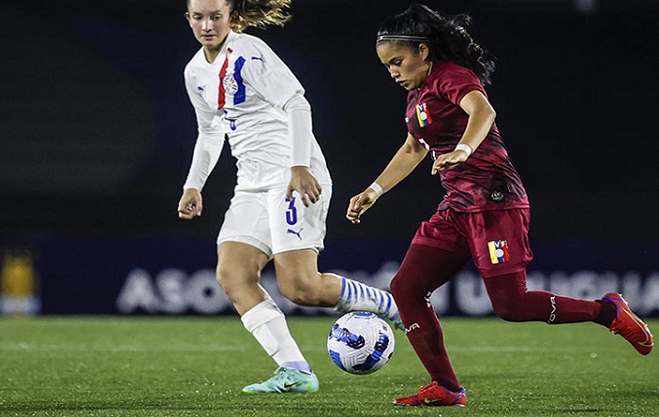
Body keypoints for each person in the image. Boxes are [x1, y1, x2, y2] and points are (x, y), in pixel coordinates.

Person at [346, 3, 654, 408]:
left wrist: (463, 148)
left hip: (495, 200)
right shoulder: (417, 96)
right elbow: (412, 148)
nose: (393, 72)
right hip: (457, 207)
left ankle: (607, 311)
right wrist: (374, 190)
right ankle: (447, 387)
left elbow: (482, 110)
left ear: (423, 50)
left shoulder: (452, 77)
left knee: (510, 305)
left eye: (398, 62)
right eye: (387, 67)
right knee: (407, 286)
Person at [178, 0, 404, 394]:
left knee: (302, 288)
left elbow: (297, 102)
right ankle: (295, 370)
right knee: (232, 275)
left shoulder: (249, 52)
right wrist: (193, 184)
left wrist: (300, 166)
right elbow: (211, 131)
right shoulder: (195, 71)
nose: (208, 24)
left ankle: (394, 305)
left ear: (231, 16)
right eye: (199, 16)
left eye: (216, 16)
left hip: (291, 176)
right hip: (250, 183)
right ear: (189, 19)